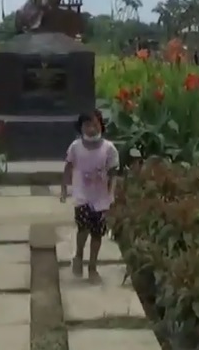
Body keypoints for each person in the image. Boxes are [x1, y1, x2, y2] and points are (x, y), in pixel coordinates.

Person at [61, 110, 119, 284]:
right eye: (87, 125)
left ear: (101, 125)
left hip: (101, 198)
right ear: (81, 127)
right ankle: (78, 255)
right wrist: (64, 187)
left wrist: (112, 194)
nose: (91, 128)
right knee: (83, 228)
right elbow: (68, 167)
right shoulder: (75, 147)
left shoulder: (109, 149)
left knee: (97, 233)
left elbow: (114, 173)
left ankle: (92, 266)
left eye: (95, 124)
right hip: (82, 196)